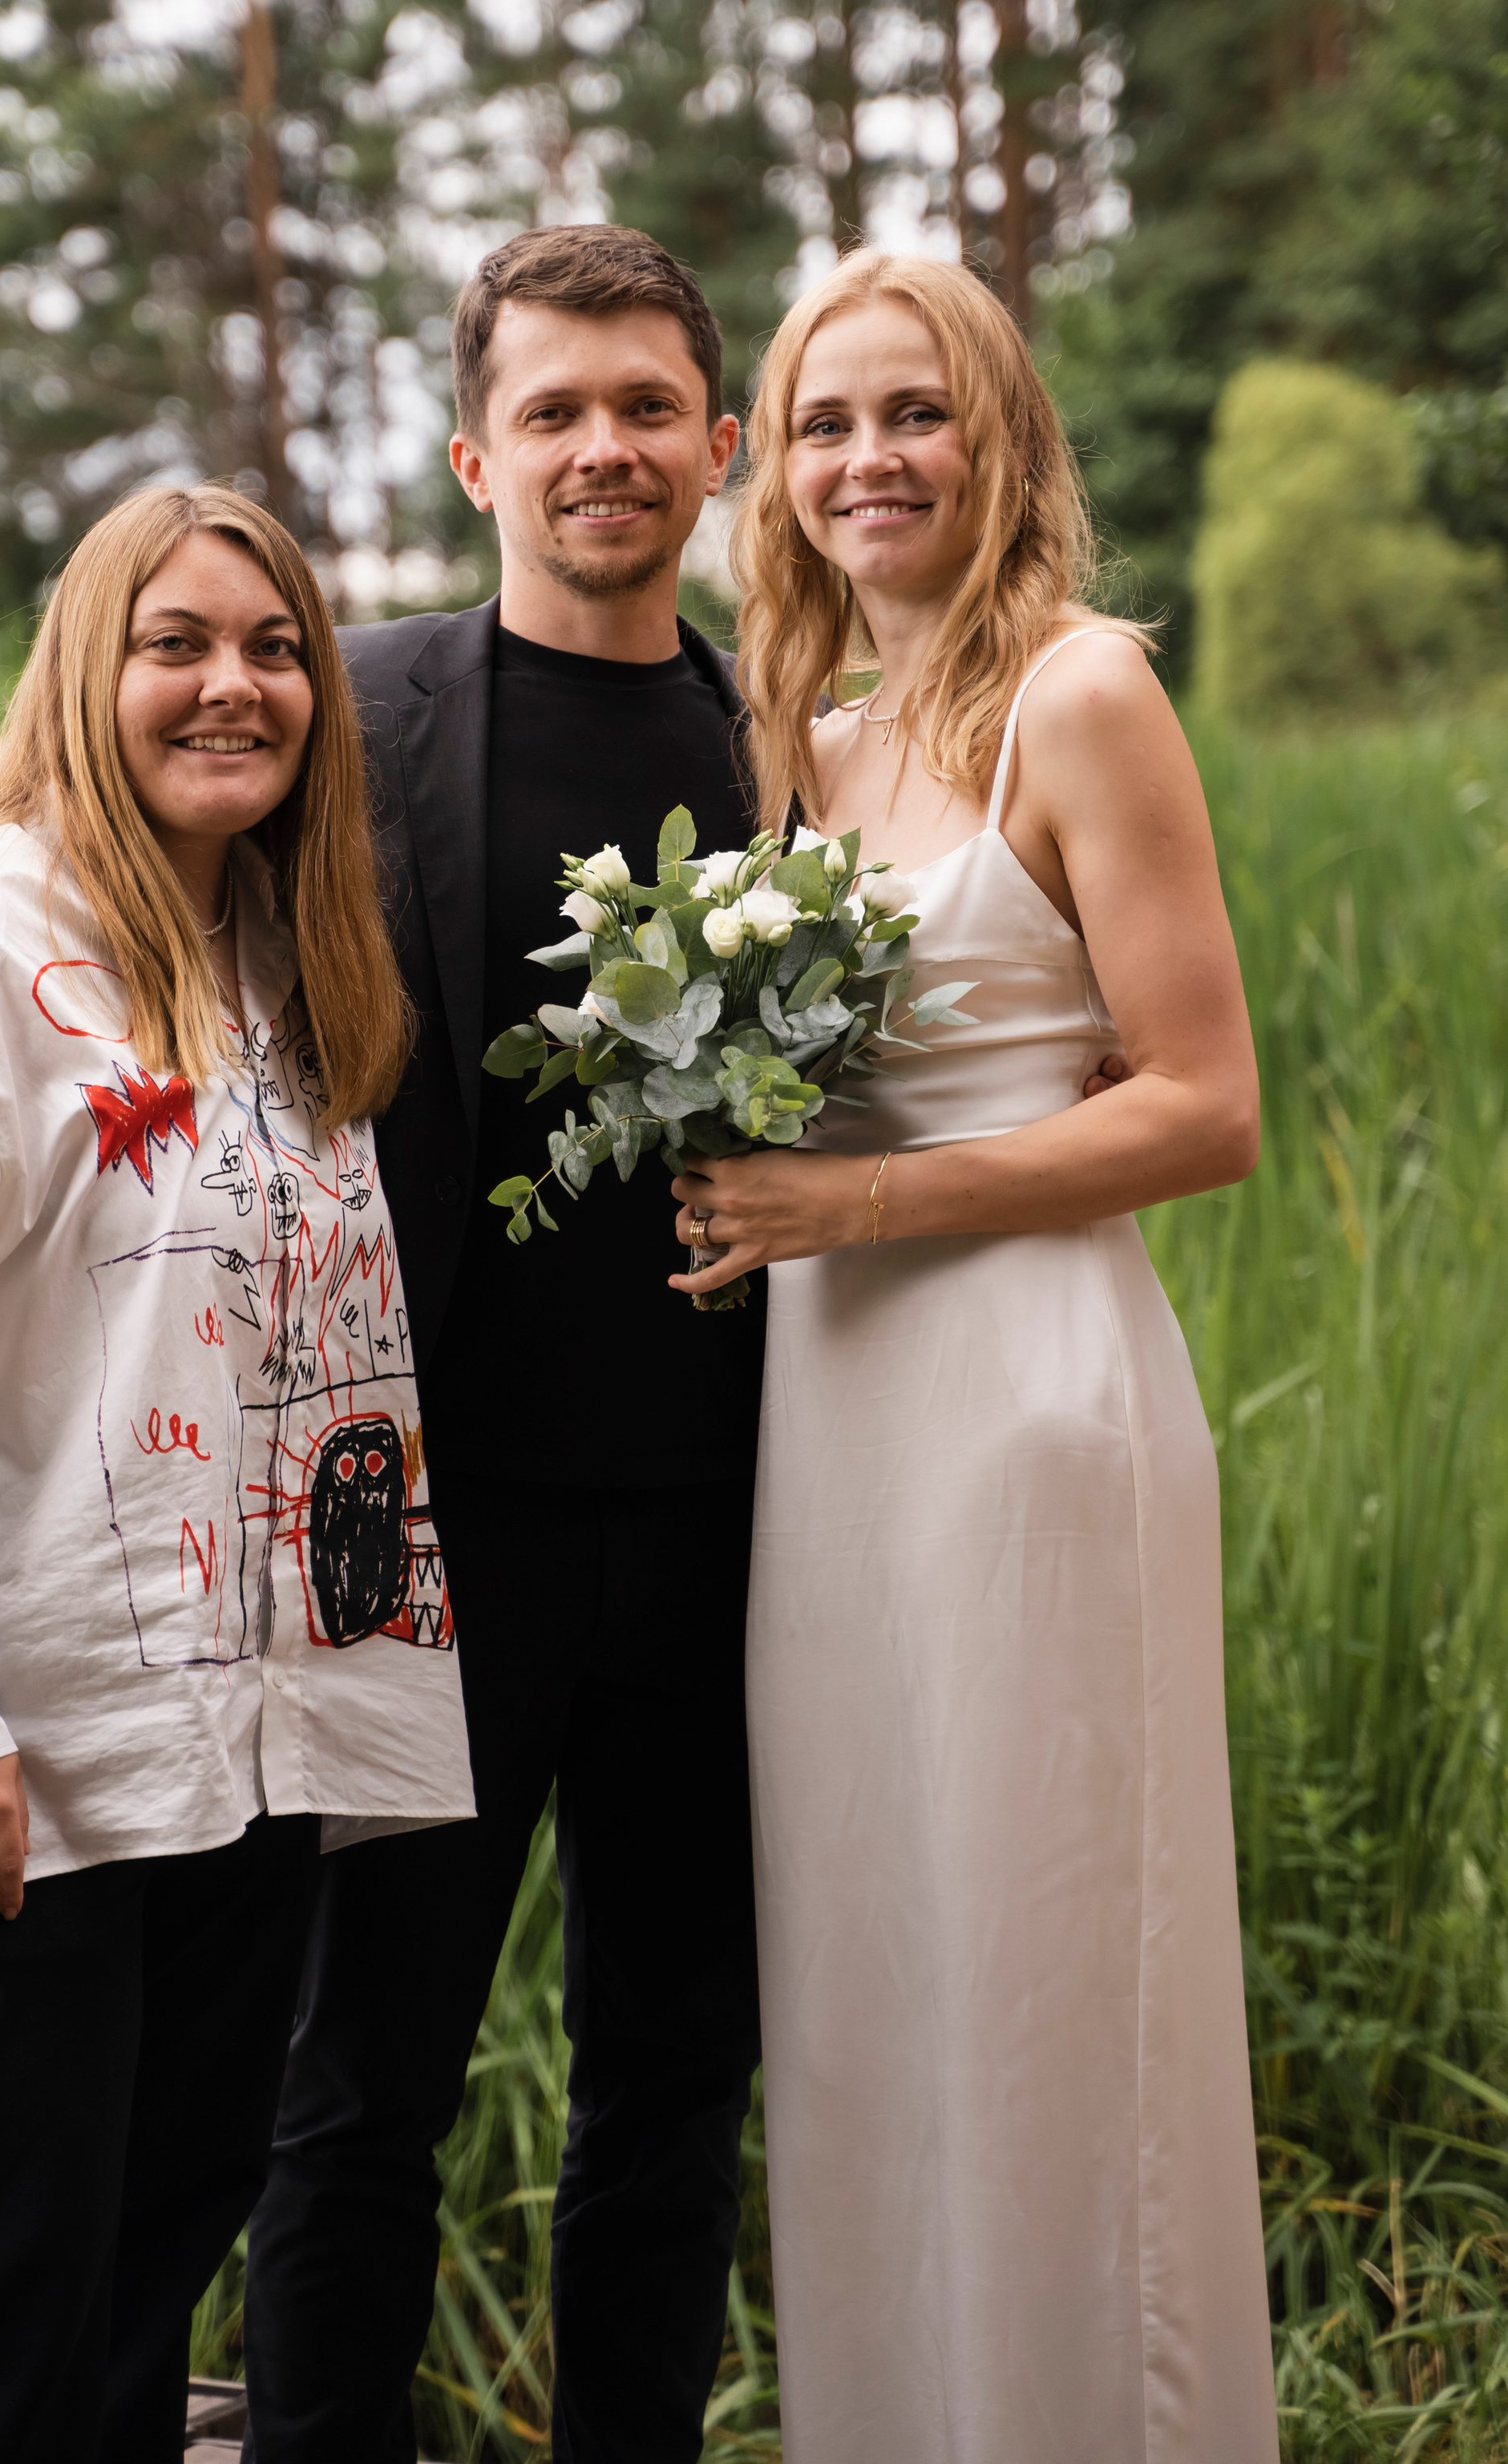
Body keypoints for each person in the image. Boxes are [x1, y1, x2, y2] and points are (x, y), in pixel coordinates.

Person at [0, 225, 771, 2463]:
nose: (603, 445)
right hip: (388, 1578)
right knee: (298, 2137)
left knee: (581, 2115)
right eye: (553, 408)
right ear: (478, 452)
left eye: (646, 405)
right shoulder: (339, 719)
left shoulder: (795, 754)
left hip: (564, 1587)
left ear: (719, 440)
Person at [0, 483, 473, 2464]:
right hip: (11, 1760)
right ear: (88, 673)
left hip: (230, 1751)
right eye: (176, 643)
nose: (230, 685)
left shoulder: (273, 965)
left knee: (141, 2292)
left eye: (270, 649)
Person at [670, 250, 1277, 2462]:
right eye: (825, 425)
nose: (866, 462)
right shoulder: (804, 744)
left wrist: (857, 1205)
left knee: (1046, 1979)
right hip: (834, 1440)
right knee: (872, 1982)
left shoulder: (1082, 696)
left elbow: (1203, 1107)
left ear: (1001, 435)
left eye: (913, 414)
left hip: (1028, 1402)